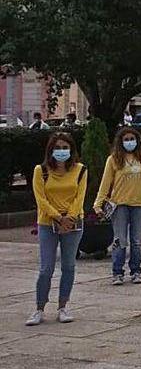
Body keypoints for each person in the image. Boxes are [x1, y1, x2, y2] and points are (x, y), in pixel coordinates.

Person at [26, 133, 87, 326]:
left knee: (68, 265)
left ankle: (63, 306)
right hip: (47, 222)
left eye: (65, 147)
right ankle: (39, 308)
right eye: (57, 148)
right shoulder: (41, 170)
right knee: (46, 268)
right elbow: (40, 199)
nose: (61, 151)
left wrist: (70, 217)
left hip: (73, 222)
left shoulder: (80, 170)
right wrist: (57, 217)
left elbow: (80, 196)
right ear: (51, 150)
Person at [94, 128, 141, 285]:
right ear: (120, 141)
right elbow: (105, 184)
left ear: (137, 140)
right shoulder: (113, 159)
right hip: (119, 204)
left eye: (132, 138)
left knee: (137, 241)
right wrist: (98, 204)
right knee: (120, 240)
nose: (129, 142)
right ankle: (117, 272)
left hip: (140, 203)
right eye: (126, 139)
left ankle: (136, 271)